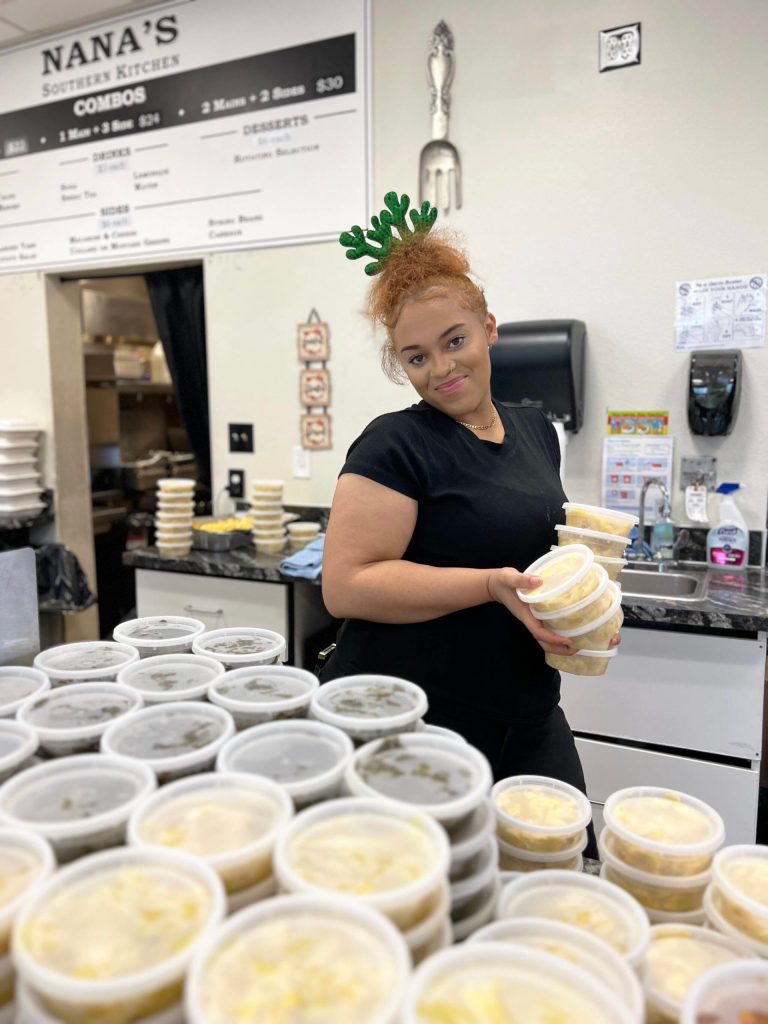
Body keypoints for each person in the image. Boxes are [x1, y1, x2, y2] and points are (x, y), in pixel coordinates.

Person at [321, 192, 618, 840]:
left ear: (489, 328)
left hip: (525, 710)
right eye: (416, 356)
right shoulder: (394, 444)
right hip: (415, 721)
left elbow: (532, 552)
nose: (442, 368)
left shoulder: (536, 429)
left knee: (563, 860)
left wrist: (583, 609)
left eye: (454, 340)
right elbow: (346, 585)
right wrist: (487, 584)